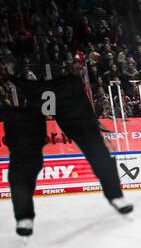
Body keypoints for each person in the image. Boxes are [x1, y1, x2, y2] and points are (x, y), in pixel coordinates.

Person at [1, 70, 132, 238]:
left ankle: (116, 196)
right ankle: (24, 217)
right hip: (33, 88)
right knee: (25, 162)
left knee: (96, 148)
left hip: (64, 86)